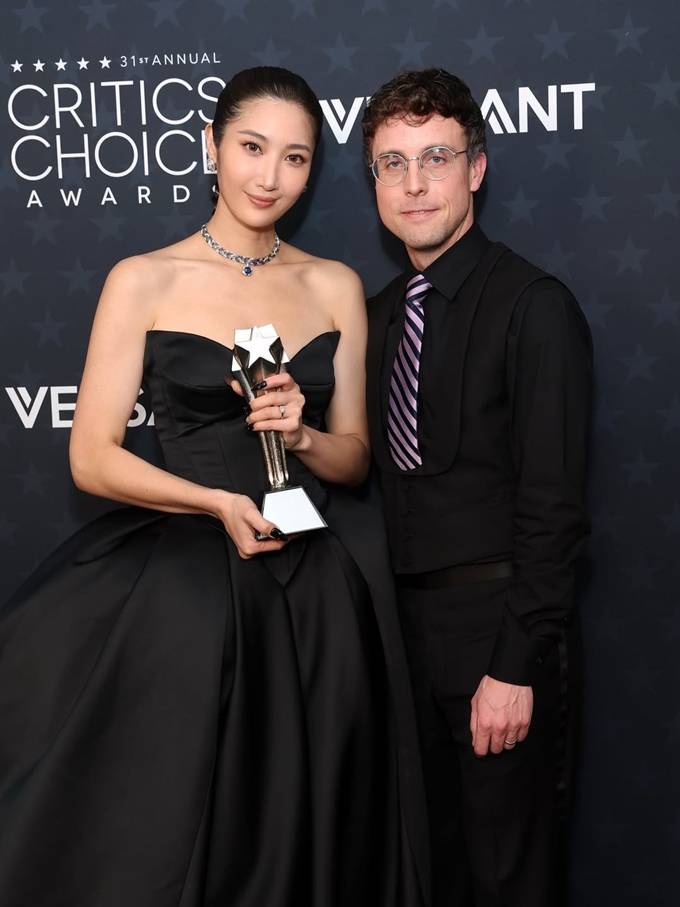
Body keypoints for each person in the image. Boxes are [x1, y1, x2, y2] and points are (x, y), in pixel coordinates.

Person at [0, 67, 429, 907]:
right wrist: (214, 501)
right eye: (252, 148)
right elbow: (91, 457)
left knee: (323, 825)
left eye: (295, 157)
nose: (270, 177)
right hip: (193, 587)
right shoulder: (143, 278)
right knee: (188, 824)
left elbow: (354, 460)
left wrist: (303, 433)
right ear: (211, 146)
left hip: (316, 592)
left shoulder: (334, 285)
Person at [361, 68, 592, 907]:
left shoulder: (535, 306)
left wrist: (514, 665)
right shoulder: (376, 315)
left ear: (477, 168)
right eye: (393, 163)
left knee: (507, 879)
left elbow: (554, 507)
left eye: (436, 157)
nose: (415, 184)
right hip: (400, 646)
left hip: (499, 639)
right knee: (431, 876)